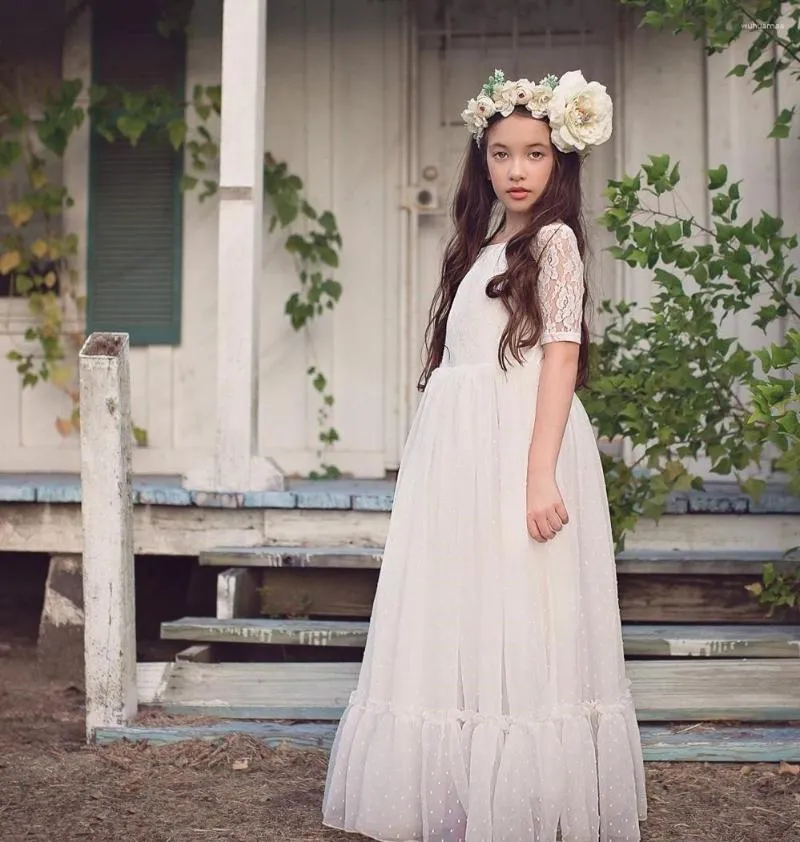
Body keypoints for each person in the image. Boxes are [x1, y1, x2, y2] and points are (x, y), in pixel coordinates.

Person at [321, 68, 648, 842]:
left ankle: (526, 794)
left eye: (535, 154)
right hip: (463, 448)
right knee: (465, 605)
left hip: (518, 443)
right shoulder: (484, 242)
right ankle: (465, 781)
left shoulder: (554, 243)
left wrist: (538, 473)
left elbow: (561, 357)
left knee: (521, 603)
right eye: (502, 154)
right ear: (484, 161)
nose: (518, 170)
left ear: (560, 161)